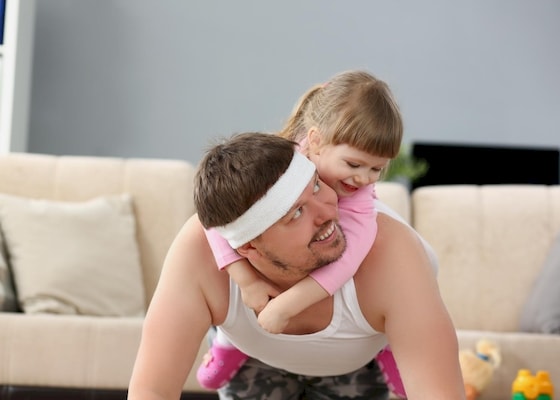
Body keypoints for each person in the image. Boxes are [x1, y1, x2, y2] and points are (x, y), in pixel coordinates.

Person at [127, 132, 465, 399]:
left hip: (357, 357)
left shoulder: (390, 254)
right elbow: (151, 390)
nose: (328, 210)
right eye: (297, 213)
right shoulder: (199, 254)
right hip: (253, 354)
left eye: (317, 186)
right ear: (247, 247)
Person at [197, 70, 408, 397]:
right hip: (263, 280)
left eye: (376, 169)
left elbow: (348, 262)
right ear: (316, 142)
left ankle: (389, 344)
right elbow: (216, 219)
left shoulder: (361, 202)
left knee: (395, 269)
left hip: (335, 276)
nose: (365, 178)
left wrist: (287, 307)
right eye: (354, 164)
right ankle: (233, 340)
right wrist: (247, 282)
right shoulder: (276, 161)